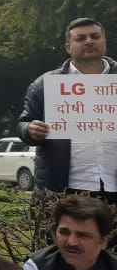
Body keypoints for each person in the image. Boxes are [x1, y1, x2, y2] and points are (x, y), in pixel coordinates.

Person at [17, 17, 117, 195]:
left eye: (95, 37)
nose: (89, 41)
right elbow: (23, 123)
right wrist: (30, 130)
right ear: (68, 47)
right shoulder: (44, 85)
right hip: (63, 189)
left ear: (105, 43)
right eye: (80, 38)